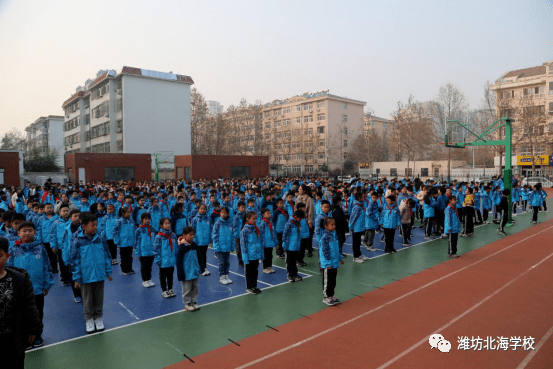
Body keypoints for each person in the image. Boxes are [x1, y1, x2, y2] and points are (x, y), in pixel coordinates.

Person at [6, 221, 53, 348]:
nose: (27, 233)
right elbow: (9, 269)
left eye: (30, 230)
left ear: (35, 232)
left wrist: (47, 284)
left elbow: (47, 266)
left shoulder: (40, 248)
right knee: (22, 315)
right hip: (20, 290)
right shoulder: (13, 250)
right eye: (24, 230)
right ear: (18, 233)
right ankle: (26, 337)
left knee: (38, 313)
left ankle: (37, 335)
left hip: (37, 289)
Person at [0, 236, 42, 369]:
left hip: (13, 338)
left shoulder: (19, 279)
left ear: (7, 256)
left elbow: (29, 307)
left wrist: (33, 329)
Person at [69, 212, 113, 334]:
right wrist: (77, 278)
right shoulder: (77, 241)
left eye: (96, 224)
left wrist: (108, 272)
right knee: (87, 299)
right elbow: (74, 261)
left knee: (99, 297)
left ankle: (98, 317)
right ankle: (89, 319)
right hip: (85, 276)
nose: (95, 227)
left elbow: (106, 256)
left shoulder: (100, 239)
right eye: (92, 225)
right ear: (84, 226)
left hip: (99, 274)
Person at [318, 218, 344, 306]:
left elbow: (338, 248)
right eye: (331, 225)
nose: (334, 226)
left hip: (335, 262)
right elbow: (324, 252)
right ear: (326, 226)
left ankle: (331, 295)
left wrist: (340, 258)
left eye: (334, 224)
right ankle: (326, 297)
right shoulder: (325, 237)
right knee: (327, 281)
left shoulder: (335, 235)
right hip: (328, 264)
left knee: (333, 280)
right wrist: (327, 263)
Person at [176, 227, 202, 311]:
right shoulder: (182, 247)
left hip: (194, 271)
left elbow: (199, 257)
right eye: (190, 234)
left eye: (193, 234)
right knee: (186, 289)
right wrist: (180, 273)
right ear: (184, 235)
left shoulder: (194, 245)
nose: (192, 236)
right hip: (186, 272)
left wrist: (201, 267)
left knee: (195, 288)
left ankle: (194, 302)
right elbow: (179, 262)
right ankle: (187, 303)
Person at [240, 211, 264, 294]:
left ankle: (254, 286)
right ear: (248, 219)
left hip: (255, 255)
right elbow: (243, 244)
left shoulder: (255, 229)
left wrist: (261, 253)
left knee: (255, 271)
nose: (255, 220)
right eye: (253, 219)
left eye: (256, 219)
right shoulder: (244, 231)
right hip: (249, 256)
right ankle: (249, 287)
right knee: (249, 272)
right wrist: (245, 256)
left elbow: (259, 242)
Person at [154, 217, 177, 298]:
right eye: (166, 223)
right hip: (163, 261)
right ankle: (164, 290)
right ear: (161, 225)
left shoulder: (173, 235)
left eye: (169, 223)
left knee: (171, 276)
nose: (168, 225)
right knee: (163, 276)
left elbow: (176, 247)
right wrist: (158, 260)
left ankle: (170, 289)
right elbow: (156, 249)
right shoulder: (159, 237)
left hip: (171, 260)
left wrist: (176, 257)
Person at [212, 207, 234, 284]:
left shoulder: (230, 223)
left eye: (225, 212)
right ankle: (222, 277)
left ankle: (226, 275)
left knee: (227, 262)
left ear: (228, 214)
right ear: (220, 213)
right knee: (221, 262)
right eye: (222, 212)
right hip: (220, 247)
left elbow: (232, 235)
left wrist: (232, 245)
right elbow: (214, 235)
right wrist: (216, 246)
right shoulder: (217, 223)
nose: (223, 214)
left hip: (227, 247)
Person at [282, 209, 304, 282]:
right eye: (299, 218)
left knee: (294, 261)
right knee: (289, 261)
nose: (300, 220)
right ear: (296, 216)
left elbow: (299, 234)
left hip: (295, 245)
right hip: (289, 246)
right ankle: (290, 275)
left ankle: (295, 274)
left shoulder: (298, 223)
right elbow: (285, 234)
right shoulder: (289, 224)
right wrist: (284, 243)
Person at [135, 213, 155, 288]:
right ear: (141, 220)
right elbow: (137, 242)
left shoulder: (152, 229)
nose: (147, 220)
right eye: (145, 219)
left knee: (150, 266)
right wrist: (138, 253)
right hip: (143, 252)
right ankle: (145, 280)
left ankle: (149, 279)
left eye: (148, 219)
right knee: (144, 267)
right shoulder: (139, 230)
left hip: (151, 251)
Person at [190, 204, 212, 276]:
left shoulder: (208, 218)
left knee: (204, 254)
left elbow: (211, 228)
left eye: (204, 209)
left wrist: (210, 238)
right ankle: (201, 269)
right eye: (201, 209)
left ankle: (204, 267)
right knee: (199, 255)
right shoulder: (195, 219)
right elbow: (192, 230)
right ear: (198, 210)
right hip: (198, 241)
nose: (203, 210)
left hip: (205, 241)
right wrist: (194, 239)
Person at [113, 207, 136, 275]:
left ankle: (130, 268)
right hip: (123, 242)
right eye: (127, 212)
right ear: (123, 213)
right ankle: (124, 269)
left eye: (130, 212)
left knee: (130, 256)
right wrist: (117, 240)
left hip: (130, 242)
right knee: (124, 257)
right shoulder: (119, 221)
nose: (129, 214)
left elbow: (134, 230)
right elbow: (115, 231)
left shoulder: (131, 221)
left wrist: (134, 239)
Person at [348, 193, 368, 263]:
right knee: (355, 242)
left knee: (358, 242)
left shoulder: (361, 205)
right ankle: (355, 257)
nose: (364, 197)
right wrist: (351, 226)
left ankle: (359, 254)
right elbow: (353, 217)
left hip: (360, 227)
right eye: (362, 197)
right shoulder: (356, 207)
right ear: (359, 198)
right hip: (356, 228)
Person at [259, 208, 277, 274]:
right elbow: (261, 234)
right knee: (265, 256)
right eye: (267, 213)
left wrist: (275, 241)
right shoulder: (262, 223)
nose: (269, 215)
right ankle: (265, 267)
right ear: (263, 215)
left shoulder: (271, 222)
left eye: (270, 213)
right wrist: (262, 242)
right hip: (265, 243)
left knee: (270, 255)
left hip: (270, 242)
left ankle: (269, 267)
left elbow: (273, 232)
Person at [232, 201, 246, 267]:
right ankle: (240, 261)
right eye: (242, 207)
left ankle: (244, 260)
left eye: (244, 207)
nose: (243, 209)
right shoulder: (236, 217)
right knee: (239, 249)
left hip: (245, 235)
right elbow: (234, 227)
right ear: (238, 208)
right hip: (238, 235)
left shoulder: (246, 215)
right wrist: (236, 236)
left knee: (244, 248)